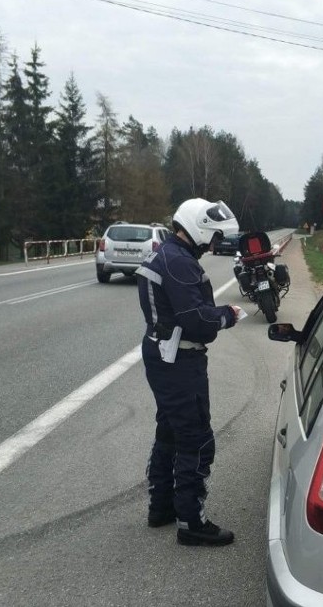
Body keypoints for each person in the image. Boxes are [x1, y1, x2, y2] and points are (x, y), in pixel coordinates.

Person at [135, 198, 242, 547]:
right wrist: (228, 314)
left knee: (170, 431)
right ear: (199, 229)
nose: (213, 246)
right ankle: (191, 521)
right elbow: (197, 321)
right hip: (179, 360)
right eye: (212, 238)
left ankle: (162, 506)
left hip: (163, 355)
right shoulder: (179, 263)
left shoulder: (165, 253)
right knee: (195, 439)